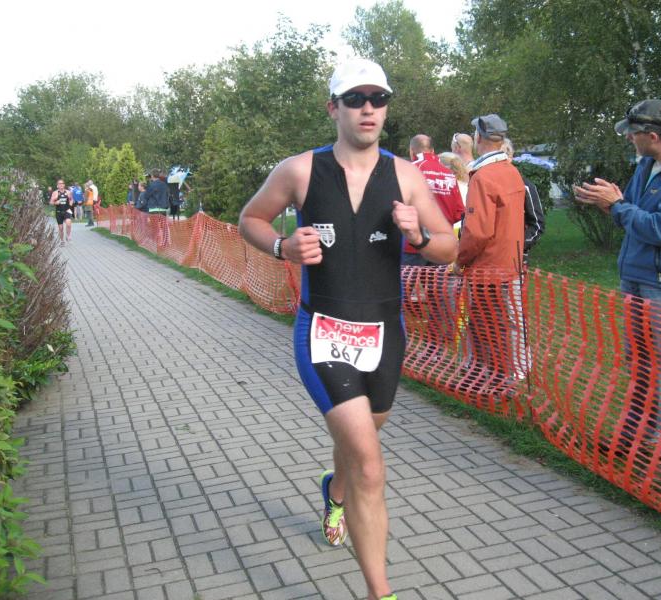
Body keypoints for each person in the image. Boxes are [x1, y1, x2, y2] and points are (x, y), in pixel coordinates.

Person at [238, 58, 456, 600]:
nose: (368, 109)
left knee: (359, 447)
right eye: (355, 99)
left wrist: (420, 238)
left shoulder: (405, 176)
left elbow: (450, 247)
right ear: (333, 108)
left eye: (378, 99)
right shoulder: (300, 171)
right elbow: (250, 218)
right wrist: (282, 246)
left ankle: (334, 490)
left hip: (385, 335)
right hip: (323, 332)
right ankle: (381, 592)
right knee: (370, 466)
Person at [574, 98, 661, 460]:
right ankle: (639, 432)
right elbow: (630, 213)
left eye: (633, 133)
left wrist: (617, 205)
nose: (628, 139)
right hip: (635, 276)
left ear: (652, 135)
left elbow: (660, 229)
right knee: (639, 363)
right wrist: (609, 203)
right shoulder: (647, 164)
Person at [452, 114, 529, 389]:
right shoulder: (511, 171)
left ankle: (493, 384)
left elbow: (477, 231)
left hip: (487, 267)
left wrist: (460, 260)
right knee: (500, 325)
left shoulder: (483, 176)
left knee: (486, 327)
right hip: (509, 262)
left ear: (479, 138)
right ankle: (497, 380)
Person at [402, 135, 464, 266]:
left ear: (411, 151)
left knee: (407, 280)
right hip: (442, 246)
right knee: (436, 280)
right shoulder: (449, 174)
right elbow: (459, 212)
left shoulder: (409, 170)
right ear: (433, 151)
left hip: (414, 246)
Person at [502, 138, 546, 262]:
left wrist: (519, 246)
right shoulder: (484, 183)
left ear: (511, 157)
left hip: (515, 260)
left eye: (505, 155)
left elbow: (537, 224)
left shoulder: (525, 186)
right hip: (486, 260)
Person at [49, 179, 74, 244]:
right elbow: (51, 202)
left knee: (68, 223)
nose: (61, 185)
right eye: (59, 184)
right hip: (59, 212)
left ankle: (68, 236)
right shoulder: (55, 193)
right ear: (57, 185)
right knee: (61, 228)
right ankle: (62, 241)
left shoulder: (68, 192)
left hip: (67, 210)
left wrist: (71, 203)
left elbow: (71, 199)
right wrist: (55, 202)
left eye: (62, 183)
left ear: (64, 185)